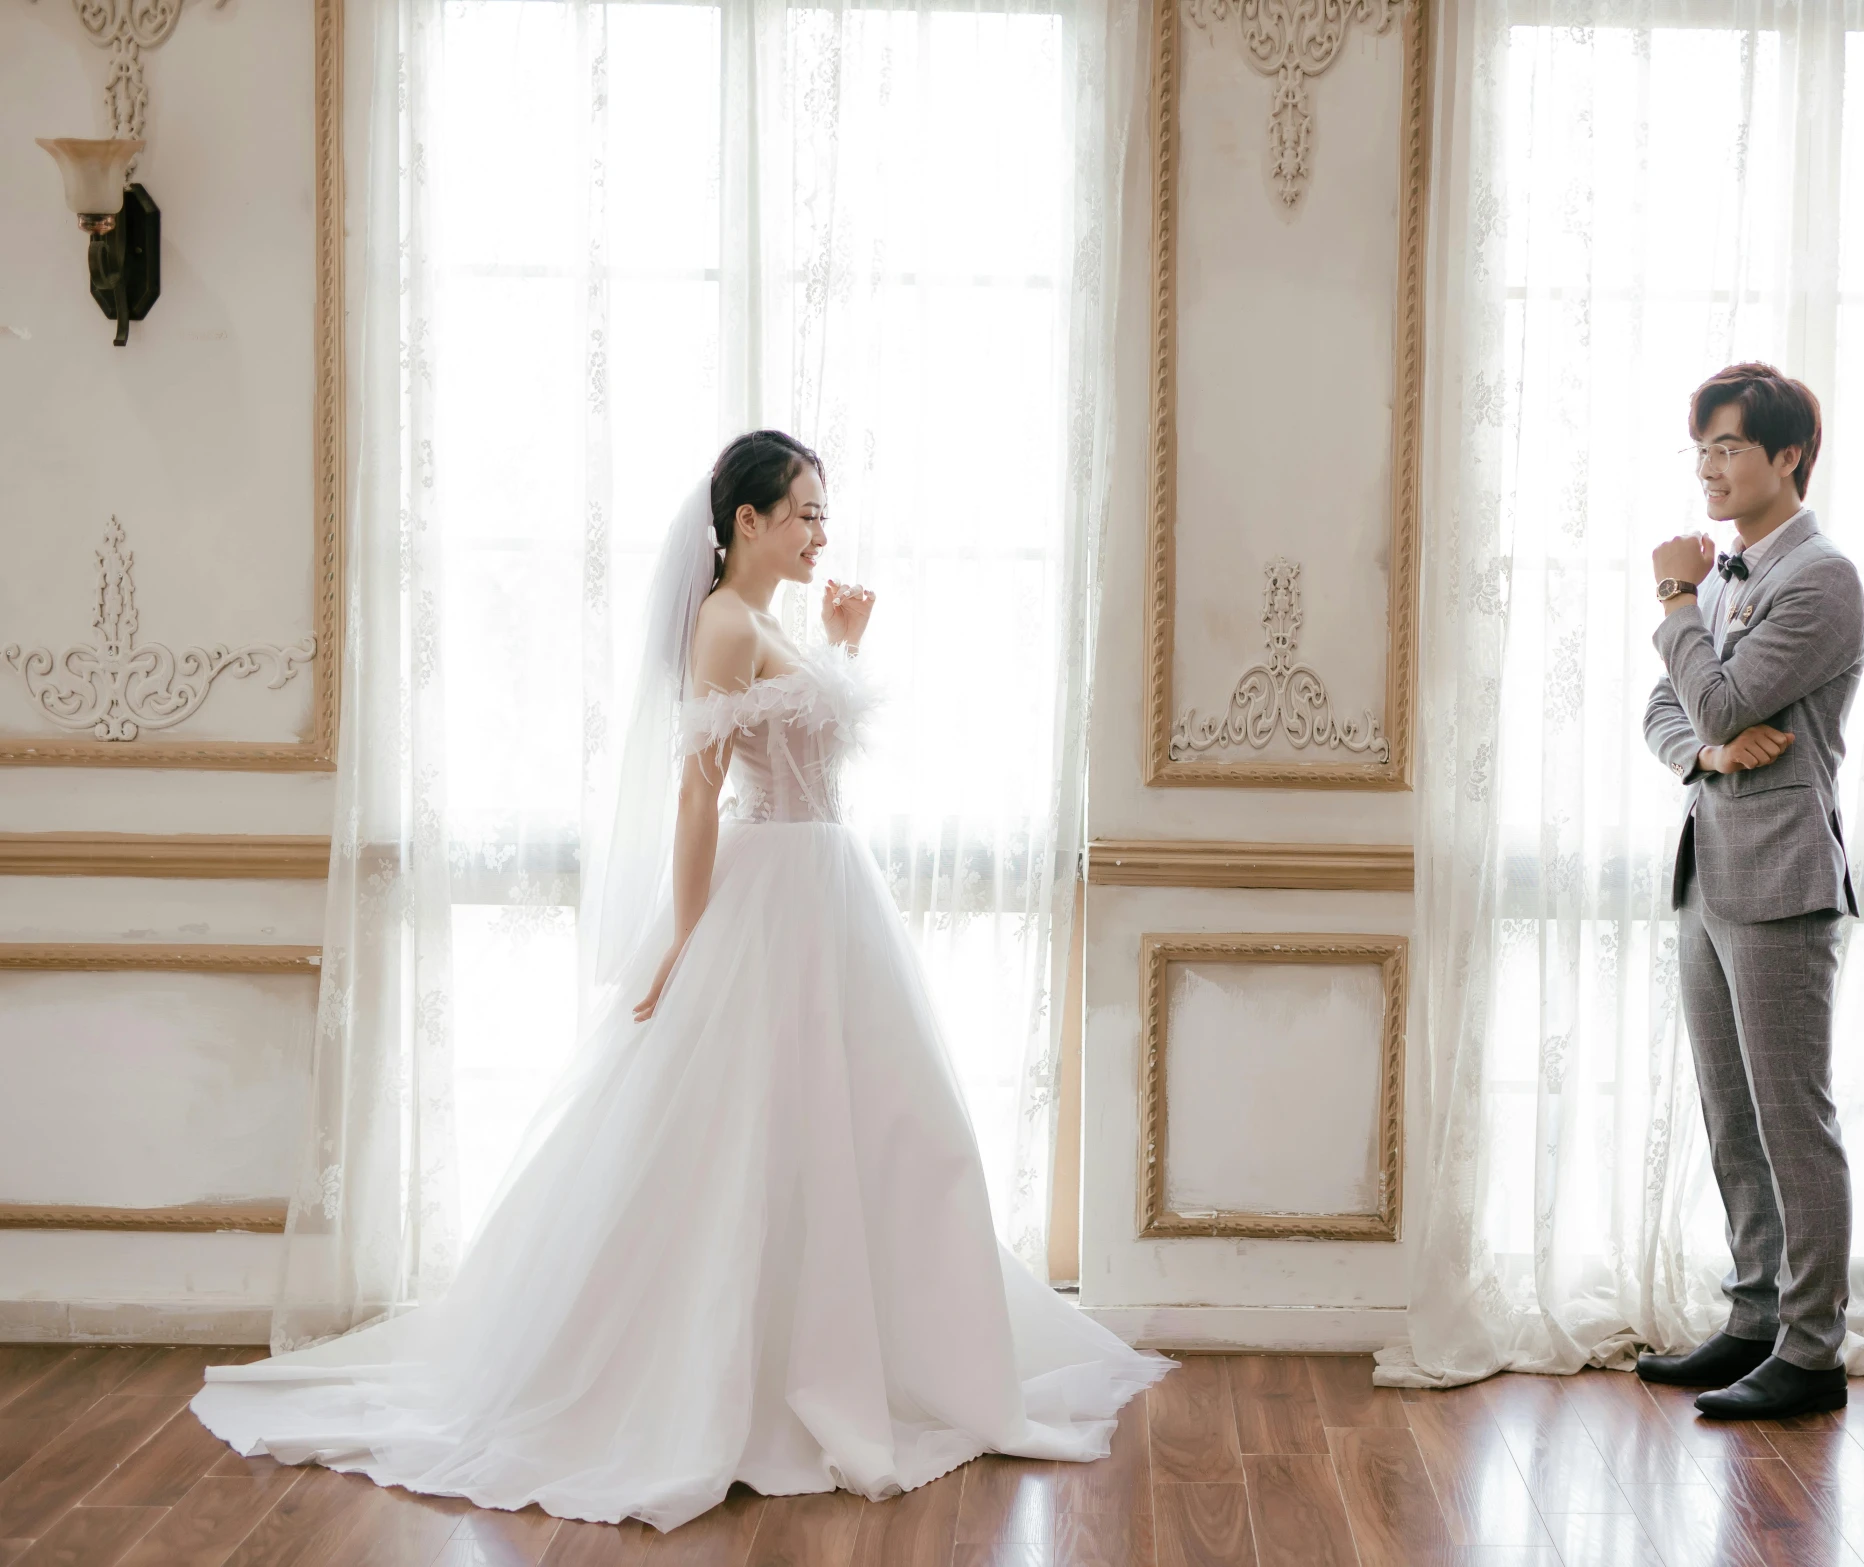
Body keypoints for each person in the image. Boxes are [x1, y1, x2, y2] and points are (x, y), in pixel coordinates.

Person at [191, 431, 1173, 1530]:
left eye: (821, 511)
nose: (819, 530)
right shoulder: (720, 624)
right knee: (756, 1140)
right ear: (745, 520)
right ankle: (729, 1378)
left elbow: (802, 746)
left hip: (825, 890)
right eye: (802, 510)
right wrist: (687, 939)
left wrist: (845, 642)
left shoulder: (766, 626)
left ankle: (889, 1355)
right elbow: (700, 793)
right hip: (775, 896)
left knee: (877, 1130)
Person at [1635, 364, 1864, 1420]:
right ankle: (1755, 1317)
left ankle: (1813, 1350)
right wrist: (1709, 760)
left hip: (1779, 884)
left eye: (1728, 447)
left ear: (1787, 458)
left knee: (1792, 1120)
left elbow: (1719, 696)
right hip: (1708, 871)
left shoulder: (1820, 579)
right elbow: (1669, 710)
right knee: (1731, 1118)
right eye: (1701, 450)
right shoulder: (1729, 572)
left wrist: (1678, 597)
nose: (1710, 468)